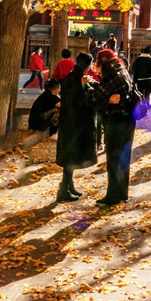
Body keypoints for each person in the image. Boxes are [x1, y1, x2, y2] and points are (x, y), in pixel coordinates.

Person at [86, 48, 134, 206]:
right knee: (124, 157)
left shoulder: (110, 74)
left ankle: (112, 196)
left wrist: (86, 86)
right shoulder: (122, 70)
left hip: (116, 120)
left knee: (113, 158)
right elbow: (107, 91)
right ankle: (122, 192)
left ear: (102, 61)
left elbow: (95, 97)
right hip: (129, 119)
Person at [55, 53, 97, 202]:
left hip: (67, 121)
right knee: (71, 157)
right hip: (78, 123)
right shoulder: (81, 79)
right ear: (88, 65)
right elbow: (87, 100)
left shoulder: (70, 77)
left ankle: (69, 186)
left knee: (69, 156)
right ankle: (63, 190)